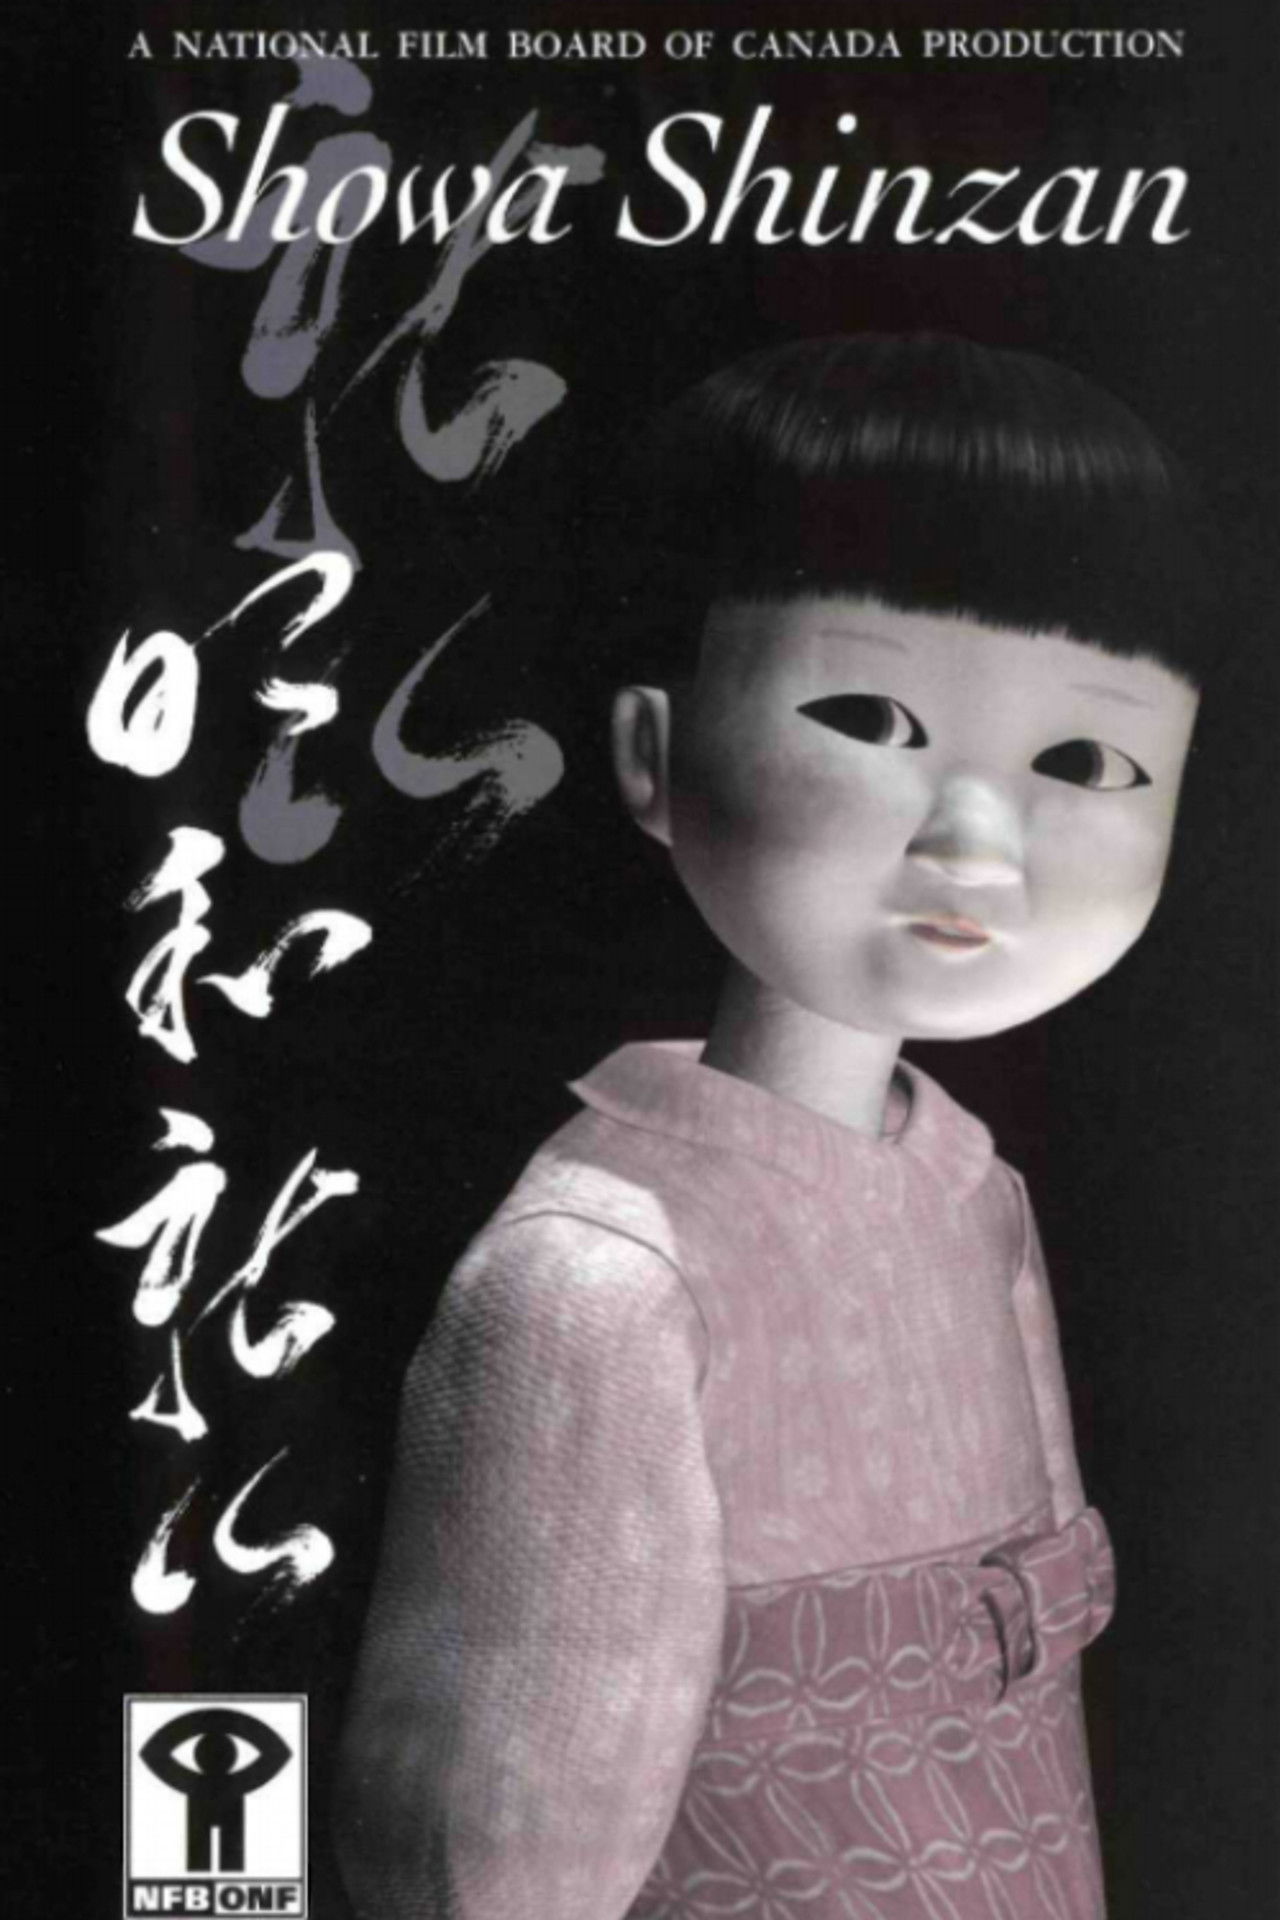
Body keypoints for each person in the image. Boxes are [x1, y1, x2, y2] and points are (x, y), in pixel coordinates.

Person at [335, 334, 1213, 1919]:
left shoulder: (973, 1192)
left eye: (1087, 759)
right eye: (872, 717)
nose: (977, 841)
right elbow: (492, 1865)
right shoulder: (596, 1284)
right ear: (653, 755)